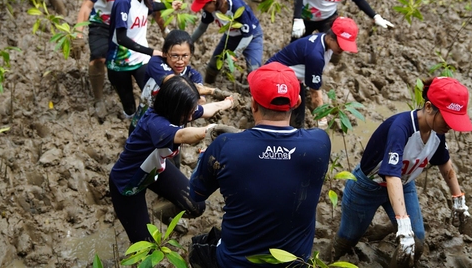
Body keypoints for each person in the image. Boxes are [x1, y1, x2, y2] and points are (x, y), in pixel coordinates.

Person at [188, 62, 331, 268]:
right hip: (293, 263)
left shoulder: (225, 146)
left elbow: (196, 195)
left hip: (235, 263)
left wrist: (205, 156)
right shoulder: (319, 143)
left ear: (253, 104)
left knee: (198, 248)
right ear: (298, 102)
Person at [332, 77, 472, 266]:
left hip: (404, 186)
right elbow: (391, 175)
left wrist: (458, 200)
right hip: (368, 187)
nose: (450, 126)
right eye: (447, 118)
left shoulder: (438, 132)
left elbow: (445, 164)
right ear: (430, 107)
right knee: (347, 239)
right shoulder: (402, 127)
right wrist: (403, 225)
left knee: (416, 242)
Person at [109, 75, 233, 243]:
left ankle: (160, 212)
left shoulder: (179, 111)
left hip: (154, 168)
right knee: (146, 246)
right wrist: (212, 130)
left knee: (195, 205)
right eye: (188, 113)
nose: (190, 118)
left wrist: (229, 102)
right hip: (128, 183)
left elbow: (208, 109)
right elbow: (182, 135)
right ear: (173, 106)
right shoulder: (156, 124)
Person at [72, 0, 141, 121]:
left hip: (126, 25)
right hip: (102, 22)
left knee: (129, 61)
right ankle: (98, 99)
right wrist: (78, 34)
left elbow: (151, 2)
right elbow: (87, 5)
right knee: (98, 58)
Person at [131, 30, 232, 132]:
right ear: (165, 53)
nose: (180, 61)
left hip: (170, 125)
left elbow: (200, 101)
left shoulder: (193, 76)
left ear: (191, 54)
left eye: (185, 56)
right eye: (175, 56)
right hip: (144, 118)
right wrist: (212, 91)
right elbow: (174, 83)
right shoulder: (156, 62)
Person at [267, 16, 358, 128]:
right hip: (274, 78)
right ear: (331, 38)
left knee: (298, 118)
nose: (342, 49)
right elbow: (315, 93)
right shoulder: (316, 55)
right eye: (341, 45)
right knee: (282, 119)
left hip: (292, 78)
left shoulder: (323, 40)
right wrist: (322, 119)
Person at [106, 0, 168, 119]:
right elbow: (121, 38)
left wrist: (171, 5)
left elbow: (153, 7)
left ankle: (149, 123)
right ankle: (131, 127)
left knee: (153, 95)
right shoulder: (124, 1)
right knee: (129, 106)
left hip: (141, 60)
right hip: (119, 62)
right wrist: (151, 51)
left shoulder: (145, 0)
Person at [173, 0, 263, 85]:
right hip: (231, 36)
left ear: (213, 1)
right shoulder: (210, 10)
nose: (203, 9)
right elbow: (202, 28)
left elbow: (248, 35)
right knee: (213, 65)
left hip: (251, 36)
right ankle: (208, 83)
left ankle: (255, 95)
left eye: (204, 6)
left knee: (254, 69)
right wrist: (188, 43)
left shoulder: (237, 8)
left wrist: (234, 56)